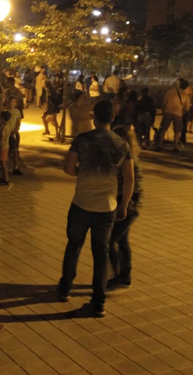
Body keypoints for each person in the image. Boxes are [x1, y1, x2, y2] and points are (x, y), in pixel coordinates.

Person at [57, 100, 134, 317]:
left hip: (81, 203)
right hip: (107, 207)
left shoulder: (82, 140)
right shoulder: (121, 145)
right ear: (112, 118)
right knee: (101, 254)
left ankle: (65, 288)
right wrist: (124, 205)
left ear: (94, 117)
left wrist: (82, 173)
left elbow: (68, 167)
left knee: (74, 246)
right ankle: (98, 302)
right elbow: (129, 178)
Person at [107, 125, 143, 290]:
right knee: (122, 240)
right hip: (129, 204)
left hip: (127, 205)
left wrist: (124, 206)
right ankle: (124, 275)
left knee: (109, 241)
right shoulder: (129, 156)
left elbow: (131, 185)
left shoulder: (127, 159)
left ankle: (118, 274)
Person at [155, 78, 191, 152]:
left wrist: (164, 109)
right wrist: (183, 111)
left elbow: (164, 101)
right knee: (177, 131)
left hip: (168, 112)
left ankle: (160, 145)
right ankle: (175, 146)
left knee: (163, 129)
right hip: (178, 114)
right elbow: (187, 108)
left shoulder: (170, 92)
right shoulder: (185, 95)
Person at [0, 110, 13, 185]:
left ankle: (6, 179)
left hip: (3, 146)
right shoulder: (7, 125)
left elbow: (1, 136)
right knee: (2, 162)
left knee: (3, 162)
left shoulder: (5, 127)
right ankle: (3, 177)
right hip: (5, 145)